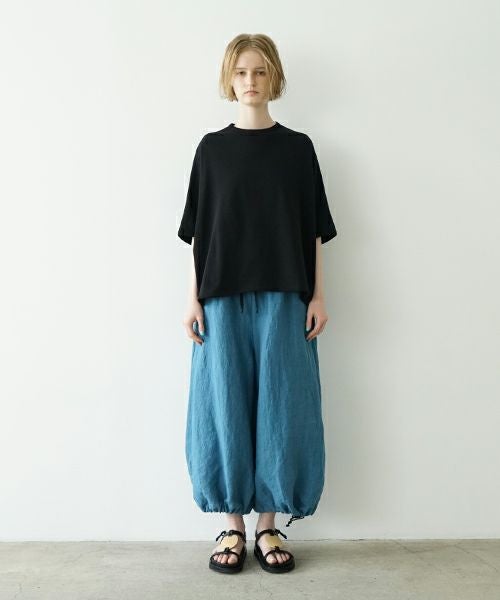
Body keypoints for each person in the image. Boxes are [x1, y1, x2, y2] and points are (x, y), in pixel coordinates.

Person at [178, 33, 337, 574]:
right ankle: (232, 525)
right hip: (220, 298)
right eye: (242, 72)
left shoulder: (298, 149)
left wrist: (318, 294)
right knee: (222, 405)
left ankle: (268, 525)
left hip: (285, 296)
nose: (251, 81)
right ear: (230, 78)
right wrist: (192, 298)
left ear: (275, 78)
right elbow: (197, 234)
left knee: (282, 407)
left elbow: (313, 230)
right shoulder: (210, 150)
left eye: (261, 71)